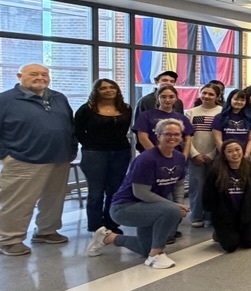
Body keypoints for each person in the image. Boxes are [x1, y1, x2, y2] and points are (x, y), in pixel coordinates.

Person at [87, 119, 188, 268]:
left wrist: (180, 203)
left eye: (176, 134)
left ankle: (108, 237)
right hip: (125, 207)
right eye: (167, 134)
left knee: (144, 248)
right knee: (171, 211)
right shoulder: (146, 159)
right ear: (158, 136)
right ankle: (156, 255)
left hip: (150, 206)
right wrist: (174, 205)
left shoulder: (179, 158)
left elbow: (179, 183)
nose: (172, 137)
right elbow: (140, 192)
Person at [0, 63, 77, 256]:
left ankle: (46, 231)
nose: (40, 77)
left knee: (54, 199)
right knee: (18, 201)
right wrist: (6, 155)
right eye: (34, 74)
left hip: (59, 157)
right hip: (23, 159)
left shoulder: (58, 97)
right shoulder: (6, 100)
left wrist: (72, 149)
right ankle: (8, 239)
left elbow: (70, 124)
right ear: (19, 76)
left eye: (44, 74)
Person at [75, 79, 132, 235]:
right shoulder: (86, 109)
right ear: (97, 91)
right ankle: (96, 226)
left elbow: (123, 130)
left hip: (121, 152)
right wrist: (92, 145)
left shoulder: (126, 108)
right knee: (96, 191)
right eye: (104, 88)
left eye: (112, 87)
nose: (109, 90)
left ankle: (111, 224)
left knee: (115, 190)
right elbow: (78, 132)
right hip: (95, 154)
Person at [202, 140, 251, 252]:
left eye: (237, 149)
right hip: (224, 215)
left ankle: (239, 230)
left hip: (245, 214)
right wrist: (215, 214)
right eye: (229, 151)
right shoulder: (215, 170)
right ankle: (219, 233)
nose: (234, 154)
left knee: (249, 242)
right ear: (224, 155)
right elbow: (208, 194)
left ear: (242, 151)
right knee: (231, 246)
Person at [185, 84, 224, 228]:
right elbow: (187, 136)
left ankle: (210, 216)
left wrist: (211, 154)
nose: (207, 96)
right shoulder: (191, 112)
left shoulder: (221, 112)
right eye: (204, 93)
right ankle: (196, 216)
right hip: (195, 156)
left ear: (217, 97)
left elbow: (221, 136)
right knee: (197, 187)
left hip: (215, 156)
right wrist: (194, 154)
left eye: (211, 94)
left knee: (213, 186)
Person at [133, 86, 194, 152]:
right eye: (163, 97)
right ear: (157, 98)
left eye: (171, 97)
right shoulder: (146, 115)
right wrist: (156, 155)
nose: (167, 100)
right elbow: (143, 138)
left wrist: (183, 157)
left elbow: (188, 139)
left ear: (176, 99)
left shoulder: (182, 118)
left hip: (175, 157)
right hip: (151, 157)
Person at [213, 89, 251, 158]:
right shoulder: (219, 118)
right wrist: (226, 155)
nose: (239, 102)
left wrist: (246, 155)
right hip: (224, 156)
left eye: (242, 100)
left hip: (244, 156)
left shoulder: (250, 119)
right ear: (230, 100)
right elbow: (218, 140)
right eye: (236, 99)